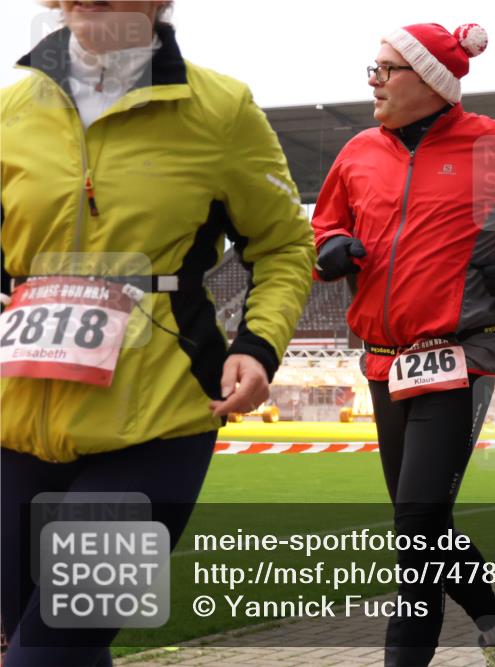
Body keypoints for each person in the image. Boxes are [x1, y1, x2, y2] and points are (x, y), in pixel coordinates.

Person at [0, 2, 315, 664]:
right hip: (17, 424)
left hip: (161, 419)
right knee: (53, 646)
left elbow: (285, 244)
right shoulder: (10, 108)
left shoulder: (220, 109)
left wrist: (258, 347)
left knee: (44, 654)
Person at [311, 22, 495, 667]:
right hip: (383, 360)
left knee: (414, 531)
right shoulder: (356, 152)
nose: (372, 80)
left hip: (459, 356)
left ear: (430, 81)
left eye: (385, 69)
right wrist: (328, 248)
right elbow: (327, 221)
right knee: (423, 526)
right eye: (371, 68)